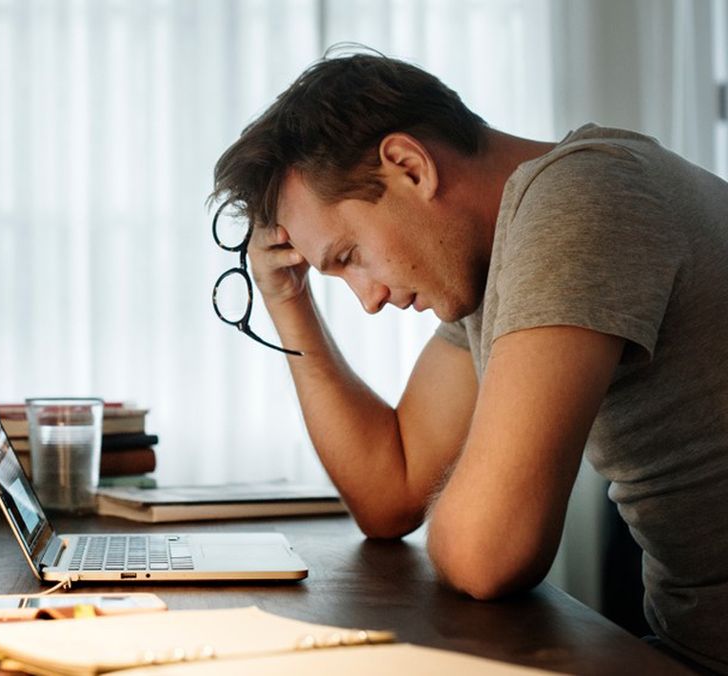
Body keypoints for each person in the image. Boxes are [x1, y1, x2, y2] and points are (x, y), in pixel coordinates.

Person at [211, 50, 728, 673]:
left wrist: (475, 504)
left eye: (350, 256)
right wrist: (286, 299)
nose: (370, 298)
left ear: (409, 165)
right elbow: (391, 493)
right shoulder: (495, 262)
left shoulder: (583, 199)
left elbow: (489, 553)